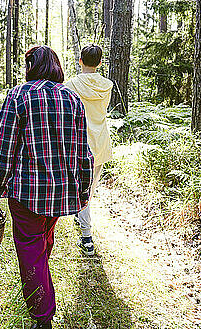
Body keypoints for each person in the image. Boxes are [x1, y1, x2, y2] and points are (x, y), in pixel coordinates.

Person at [0, 45, 94, 329]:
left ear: (31, 66)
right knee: (42, 242)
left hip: (27, 194)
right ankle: (39, 288)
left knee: (31, 249)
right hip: (59, 193)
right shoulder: (73, 99)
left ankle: (42, 317)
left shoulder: (19, 96)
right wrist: (83, 191)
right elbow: (83, 152)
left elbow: (2, 147)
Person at [64, 44, 113, 256]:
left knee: (81, 189)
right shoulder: (107, 85)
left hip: (78, 143)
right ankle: (82, 219)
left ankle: (86, 238)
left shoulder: (71, 85)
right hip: (100, 141)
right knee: (89, 188)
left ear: (80, 61)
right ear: (100, 62)